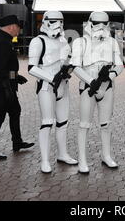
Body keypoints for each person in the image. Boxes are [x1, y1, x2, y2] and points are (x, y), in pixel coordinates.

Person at [70, 11, 124, 174]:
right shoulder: (80, 42)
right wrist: (91, 81)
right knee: (84, 124)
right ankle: (83, 160)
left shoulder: (112, 42)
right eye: (97, 23)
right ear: (90, 23)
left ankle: (106, 156)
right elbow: (76, 66)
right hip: (88, 87)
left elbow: (119, 63)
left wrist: (111, 75)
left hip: (107, 87)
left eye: (104, 23)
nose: (101, 27)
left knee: (106, 124)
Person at [28, 11, 78, 173]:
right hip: (46, 87)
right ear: (46, 22)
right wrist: (51, 78)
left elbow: (68, 61)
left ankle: (62, 154)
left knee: (63, 122)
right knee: (47, 122)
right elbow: (32, 68)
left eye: (60, 21)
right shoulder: (38, 41)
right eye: (54, 21)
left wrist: (67, 70)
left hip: (63, 86)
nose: (58, 25)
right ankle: (45, 160)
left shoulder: (63, 41)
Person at [0, 15, 34, 160]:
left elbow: (6, 66)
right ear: (11, 26)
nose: (19, 30)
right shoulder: (2, 42)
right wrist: (7, 89)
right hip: (2, 87)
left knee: (15, 111)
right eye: (18, 27)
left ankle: (17, 142)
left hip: (7, 85)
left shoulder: (5, 40)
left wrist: (15, 77)